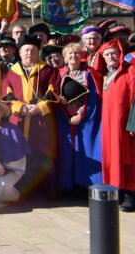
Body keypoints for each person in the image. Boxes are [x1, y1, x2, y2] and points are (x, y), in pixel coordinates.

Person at [1, 35, 60, 198]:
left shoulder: (49, 71)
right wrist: (20, 107)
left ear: (38, 52)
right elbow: (6, 95)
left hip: (41, 122)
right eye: (26, 50)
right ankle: (20, 190)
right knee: (18, 155)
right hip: (18, 120)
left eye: (33, 50)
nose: (29, 53)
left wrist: (40, 107)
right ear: (19, 53)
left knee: (43, 154)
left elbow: (53, 92)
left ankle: (47, 190)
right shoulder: (11, 73)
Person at [56, 43, 102, 191]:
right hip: (65, 119)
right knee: (68, 152)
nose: (73, 56)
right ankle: (69, 186)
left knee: (86, 151)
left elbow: (93, 98)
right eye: (70, 54)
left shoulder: (89, 74)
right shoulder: (61, 75)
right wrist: (60, 103)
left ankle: (85, 186)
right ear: (65, 58)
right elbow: (55, 96)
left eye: (76, 53)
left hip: (86, 120)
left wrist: (80, 115)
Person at [97, 41, 135, 212]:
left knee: (129, 159)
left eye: (113, 53)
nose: (111, 57)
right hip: (110, 125)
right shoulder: (106, 75)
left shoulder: (130, 71)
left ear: (120, 55)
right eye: (107, 54)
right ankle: (117, 190)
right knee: (113, 157)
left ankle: (131, 194)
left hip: (126, 126)